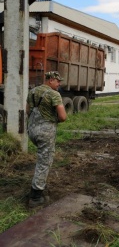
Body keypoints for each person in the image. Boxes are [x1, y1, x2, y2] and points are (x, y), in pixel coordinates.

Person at [26, 71, 67, 207]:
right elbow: (62, 117)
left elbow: (27, 111)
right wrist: (53, 119)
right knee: (44, 162)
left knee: (41, 158)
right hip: (45, 132)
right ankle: (36, 196)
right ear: (50, 80)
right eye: (58, 81)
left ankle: (37, 184)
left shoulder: (32, 91)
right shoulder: (53, 94)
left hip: (32, 130)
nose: (59, 84)